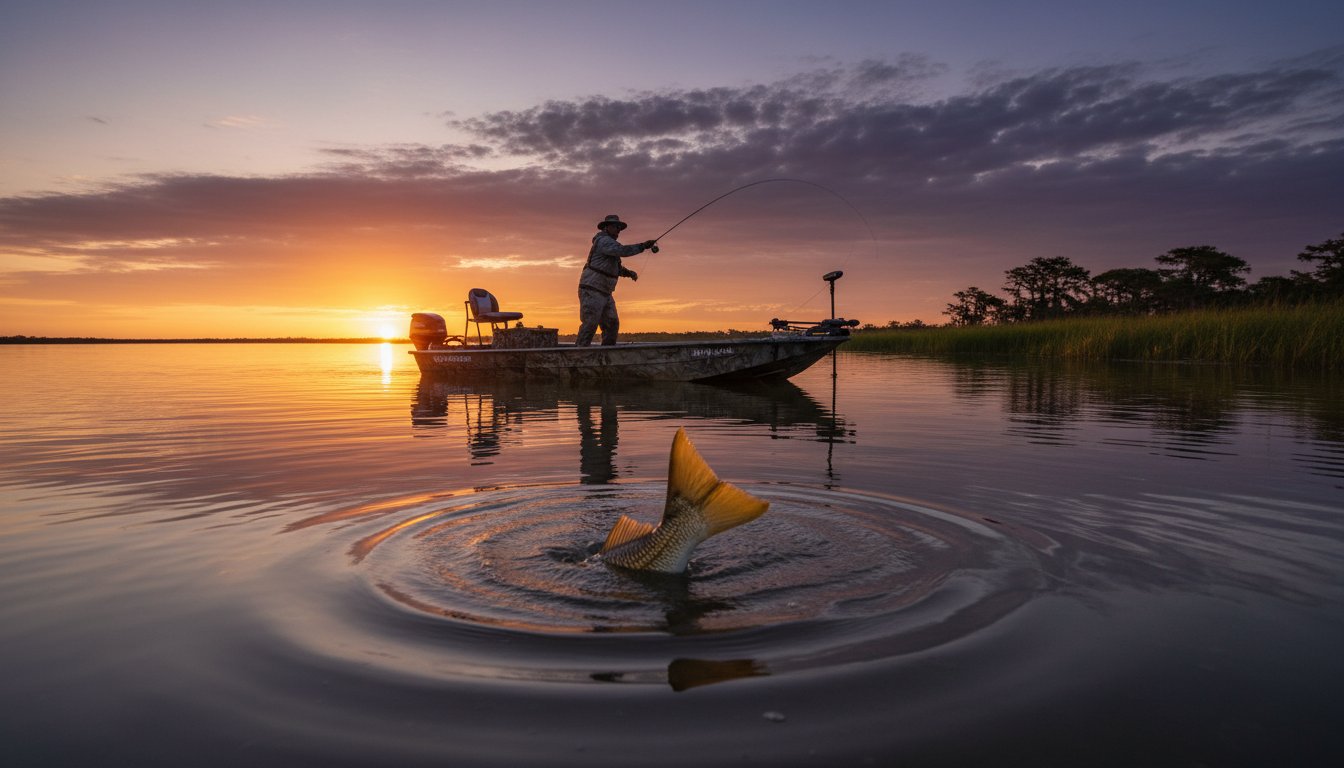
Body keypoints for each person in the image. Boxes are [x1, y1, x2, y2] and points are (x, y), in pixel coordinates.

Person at [576, 214, 656, 346]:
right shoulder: (604, 241)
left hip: (605, 292)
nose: (618, 230)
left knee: (612, 324)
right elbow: (622, 250)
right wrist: (643, 246)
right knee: (590, 323)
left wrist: (628, 273)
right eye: (615, 226)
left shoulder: (610, 245)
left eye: (619, 227)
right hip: (592, 289)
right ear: (606, 227)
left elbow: (615, 268)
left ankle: (607, 354)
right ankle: (578, 355)